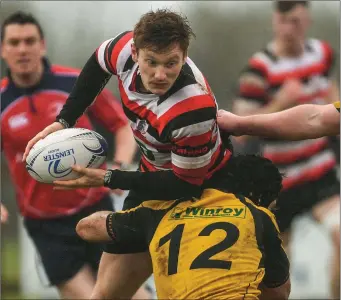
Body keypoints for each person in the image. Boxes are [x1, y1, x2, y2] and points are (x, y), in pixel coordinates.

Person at [23, 8, 234, 299]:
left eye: (171, 63)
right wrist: (64, 120)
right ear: (135, 53)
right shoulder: (123, 50)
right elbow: (98, 64)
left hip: (204, 189)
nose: (160, 74)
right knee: (105, 295)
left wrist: (108, 177)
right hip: (152, 178)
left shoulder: (191, 110)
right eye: (152, 62)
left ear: (184, 56)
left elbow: (184, 183)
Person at [0, 12, 144, 299]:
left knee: (135, 297)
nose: (22, 49)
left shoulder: (76, 84)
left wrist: (120, 165)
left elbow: (122, 126)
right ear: (3, 50)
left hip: (96, 206)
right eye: (14, 42)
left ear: (43, 45)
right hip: (46, 225)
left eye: (29, 41)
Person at [230, 1, 340, 297]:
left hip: (320, 171)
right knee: (277, 273)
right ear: (274, 21)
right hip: (281, 182)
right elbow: (240, 129)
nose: (290, 29)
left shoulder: (322, 54)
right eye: (284, 22)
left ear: (308, 21)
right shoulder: (258, 70)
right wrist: (281, 103)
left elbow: (330, 92)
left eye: (297, 22)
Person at [76, 155, 291, 300]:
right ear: (259, 198)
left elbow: (86, 228)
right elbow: (280, 292)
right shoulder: (257, 215)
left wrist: (126, 219)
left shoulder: (161, 212)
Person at [217, 101, 340, 140]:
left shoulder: (320, 53)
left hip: (322, 174)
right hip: (285, 176)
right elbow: (316, 119)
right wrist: (240, 123)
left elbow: (316, 119)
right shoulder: (259, 67)